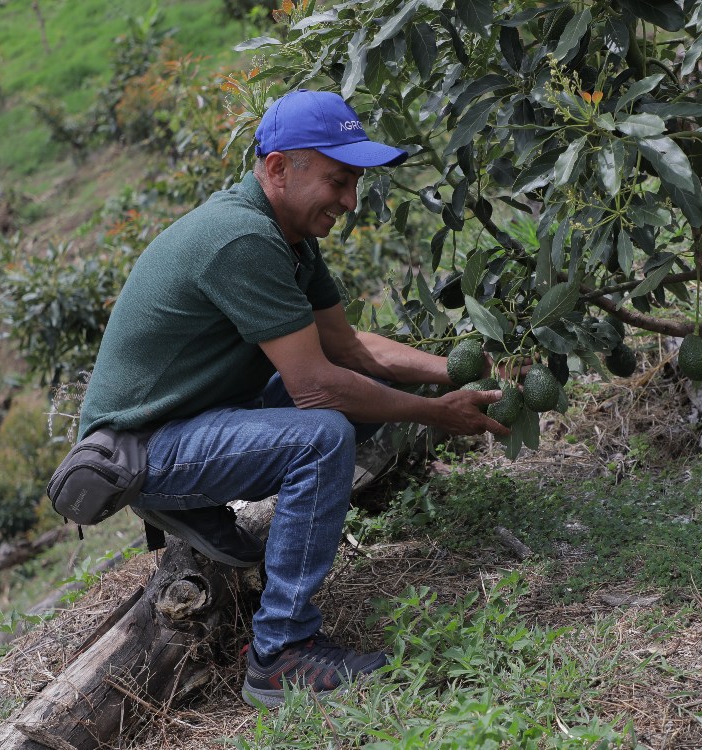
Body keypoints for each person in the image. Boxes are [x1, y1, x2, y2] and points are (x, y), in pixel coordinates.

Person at [77, 89, 508, 708]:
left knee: (360, 396)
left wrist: (458, 374)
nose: (350, 201)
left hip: (192, 422)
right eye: (338, 180)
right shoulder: (242, 240)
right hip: (141, 450)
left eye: (354, 182)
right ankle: (281, 654)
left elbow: (350, 348)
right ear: (279, 168)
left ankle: (196, 513)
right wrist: (435, 414)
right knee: (325, 429)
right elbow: (318, 386)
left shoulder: (290, 239)